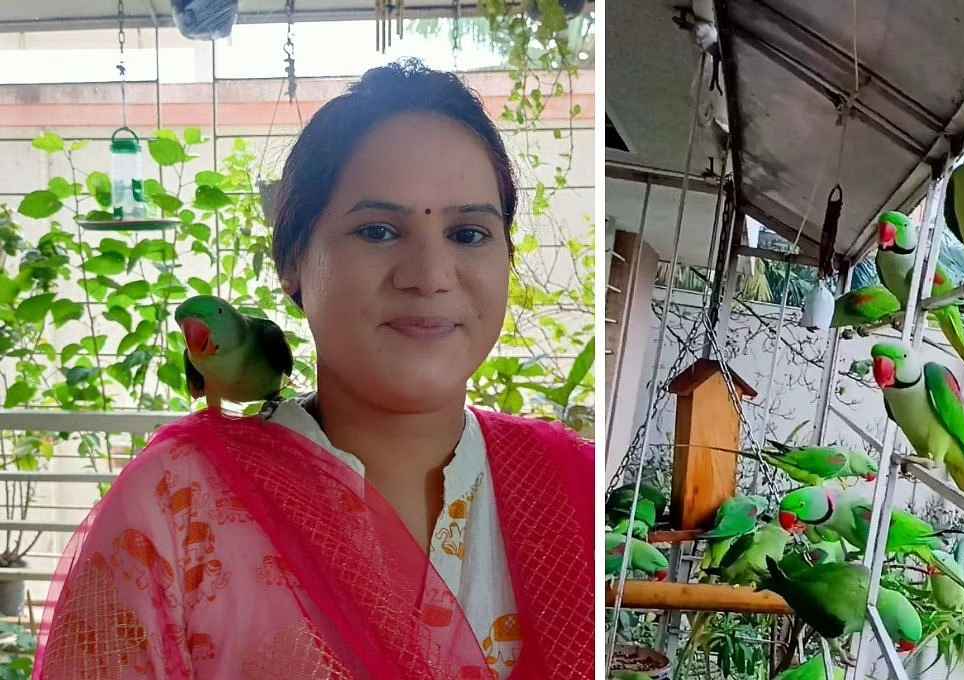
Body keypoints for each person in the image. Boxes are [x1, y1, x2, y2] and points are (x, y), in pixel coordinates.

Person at [32, 59, 595, 680]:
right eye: (378, 230)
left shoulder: (576, 493)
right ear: (293, 260)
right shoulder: (175, 511)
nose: (432, 276)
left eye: (468, 234)